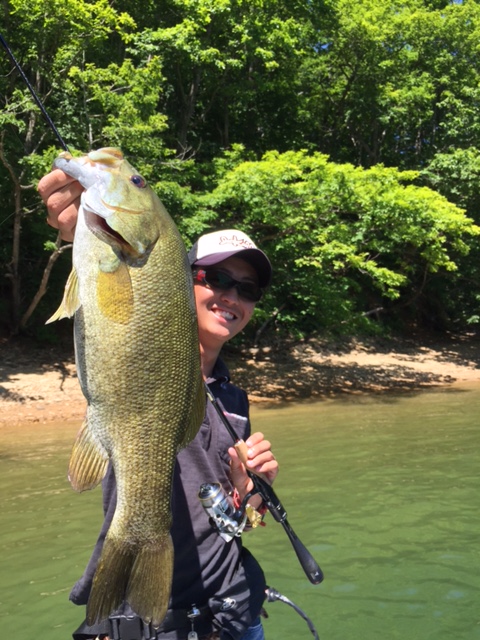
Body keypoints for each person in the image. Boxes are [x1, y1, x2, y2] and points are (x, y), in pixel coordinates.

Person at [38, 170, 279, 640]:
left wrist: (248, 494)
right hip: (149, 624)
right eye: (217, 278)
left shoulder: (234, 397)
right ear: (180, 278)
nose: (232, 296)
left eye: (248, 289)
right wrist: (80, 229)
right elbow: (111, 285)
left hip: (233, 617)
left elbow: (238, 523)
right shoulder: (147, 353)